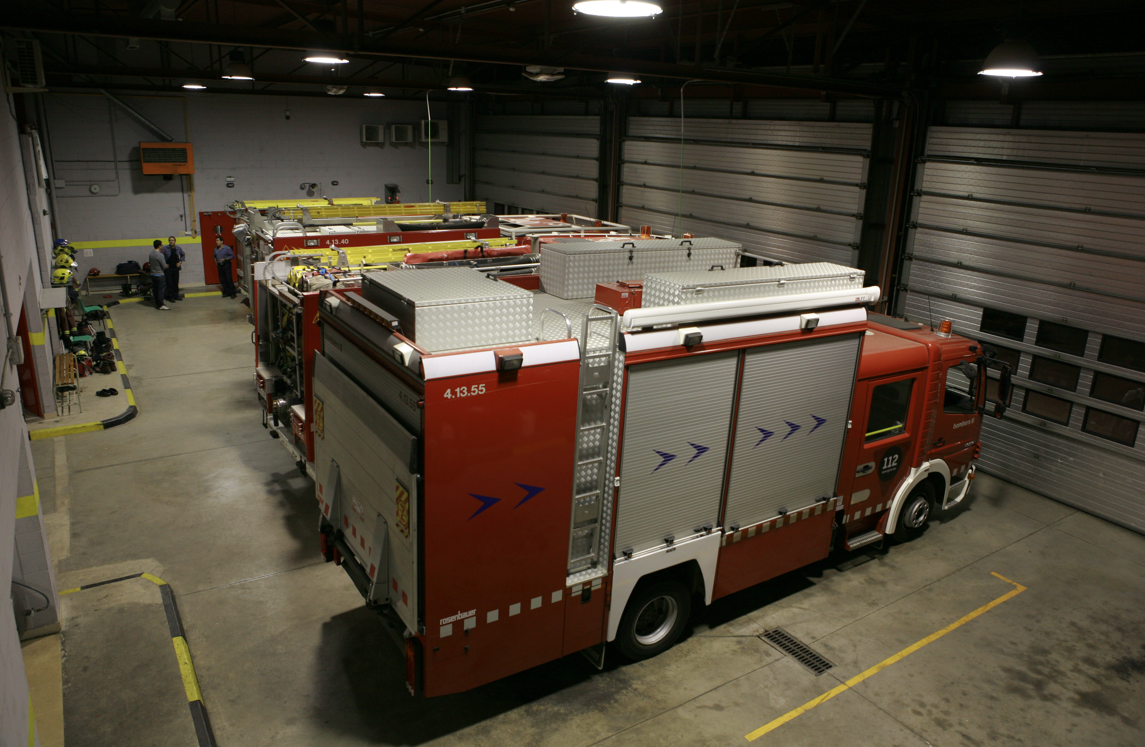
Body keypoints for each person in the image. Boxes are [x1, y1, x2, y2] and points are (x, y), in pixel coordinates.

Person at [163, 235, 186, 302]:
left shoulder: (178, 248)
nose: (171, 241)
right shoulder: (165, 248)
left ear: (175, 241)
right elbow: (161, 257)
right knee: (169, 283)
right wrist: (164, 264)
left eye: (172, 240)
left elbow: (183, 254)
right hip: (168, 269)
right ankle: (171, 297)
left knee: (176, 282)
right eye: (170, 240)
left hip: (176, 268)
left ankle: (176, 295)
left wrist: (180, 262)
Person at [148, 240, 169, 310]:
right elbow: (164, 266)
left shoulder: (151, 253)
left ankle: (158, 302)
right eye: (161, 245)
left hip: (153, 274)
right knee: (160, 290)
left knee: (156, 290)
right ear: (159, 245)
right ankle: (161, 305)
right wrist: (167, 265)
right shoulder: (160, 255)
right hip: (160, 275)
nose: (162, 246)